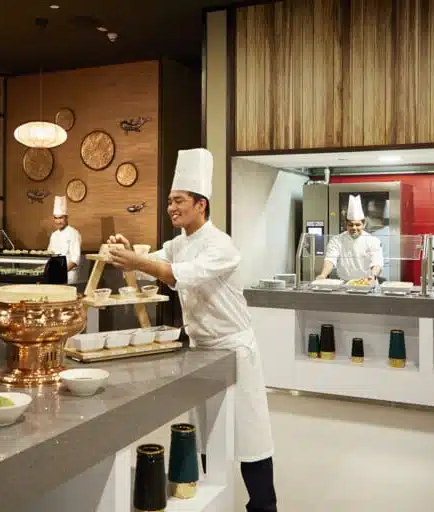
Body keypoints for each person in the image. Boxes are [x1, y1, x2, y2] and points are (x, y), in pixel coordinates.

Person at [108, 148, 278, 512]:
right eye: (170, 201)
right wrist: (125, 252)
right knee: (204, 430)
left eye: (179, 201)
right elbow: (152, 261)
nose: (171, 208)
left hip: (234, 349)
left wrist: (137, 261)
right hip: (200, 349)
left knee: (250, 435)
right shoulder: (178, 243)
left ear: (201, 204)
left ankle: (264, 506)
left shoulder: (221, 245)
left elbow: (173, 274)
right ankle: (205, 496)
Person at [317, 194, 384, 281]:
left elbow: (377, 262)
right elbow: (330, 259)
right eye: (351, 225)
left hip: (366, 282)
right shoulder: (337, 240)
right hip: (344, 282)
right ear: (346, 225)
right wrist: (323, 275)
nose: (354, 228)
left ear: (364, 225)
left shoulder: (373, 241)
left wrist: (373, 275)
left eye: (357, 225)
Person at [46, 196, 81, 284]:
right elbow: (50, 256)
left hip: (68, 277)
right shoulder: (54, 235)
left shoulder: (73, 233)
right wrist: (44, 267)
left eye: (61, 218)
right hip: (54, 277)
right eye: (56, 218)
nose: (58, 221)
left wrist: (60, 272)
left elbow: (75, 260)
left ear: (66, 217)